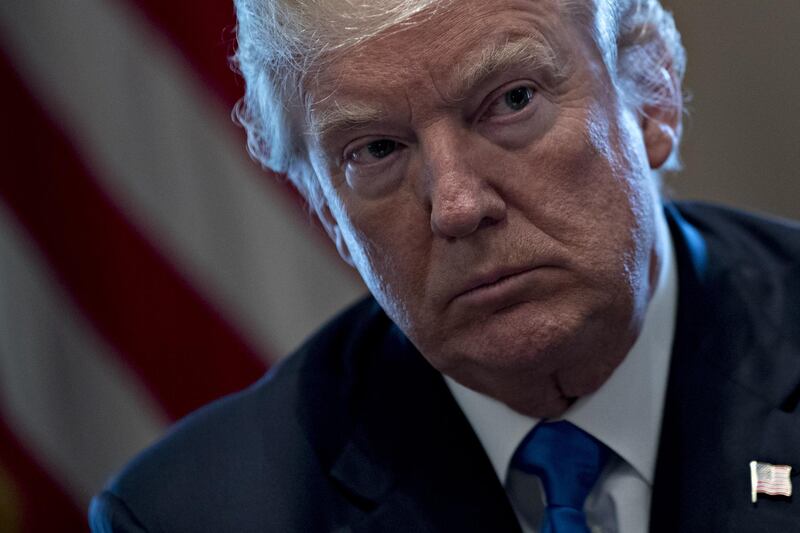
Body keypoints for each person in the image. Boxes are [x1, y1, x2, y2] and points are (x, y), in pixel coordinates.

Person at [89, 0, 800, 531]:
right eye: (375, 150)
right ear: (327, 212)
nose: (456, 205)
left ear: (650, 94)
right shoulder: (190, 514)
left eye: (512, 101)